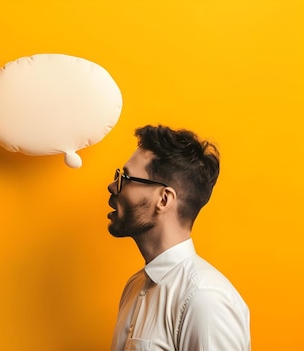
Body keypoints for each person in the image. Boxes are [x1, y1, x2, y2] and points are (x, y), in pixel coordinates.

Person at [107, 125, 250, 350]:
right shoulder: (134, 287)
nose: (113, 186)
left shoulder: (205, 298)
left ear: (164, 200)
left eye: (126, 178)